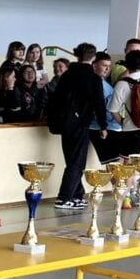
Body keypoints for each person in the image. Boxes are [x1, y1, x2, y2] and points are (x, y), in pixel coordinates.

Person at [51, 42, 108, 210]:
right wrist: (103, 125)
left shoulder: (67, 75)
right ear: (94, 58)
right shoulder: (93, 78)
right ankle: (64, 197)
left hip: (64, 123)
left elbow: (56, 98)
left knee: (72, 159)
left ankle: (76, 195)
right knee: (77, 162)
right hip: (81, 123)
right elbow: (99, 104)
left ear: (77, 55)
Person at [87, 52, 120, 166]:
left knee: (121, 164)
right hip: (101, 128)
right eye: (104, 65)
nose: (107, 69)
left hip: (113, 127)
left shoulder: (104, 83)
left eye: (109, 66)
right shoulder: (93, 83)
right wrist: (103, 127)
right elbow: (97, 108)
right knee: (114, 165)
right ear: (94, 65)